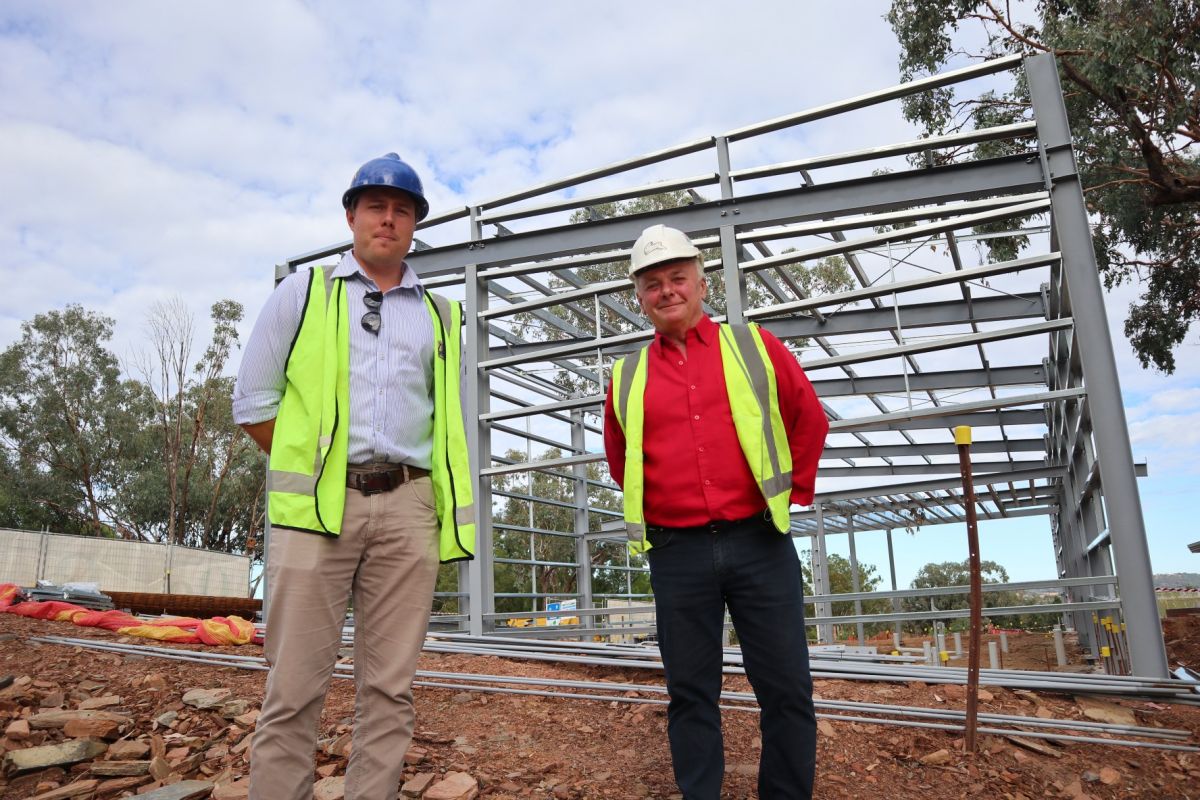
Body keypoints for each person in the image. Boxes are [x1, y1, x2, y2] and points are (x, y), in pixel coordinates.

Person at [233, 153, 475, 800]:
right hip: (318, 510)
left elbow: (445, 419)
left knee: (390, 689)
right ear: (351, 216)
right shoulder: (303, 294)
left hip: (408, 509)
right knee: (293, 688)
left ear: (415, 225)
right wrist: (313, 473)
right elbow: (253, 405)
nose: (388, 219)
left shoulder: (441, 317)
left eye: (403, 210)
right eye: (376, 206)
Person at [603, 224, 828, 800]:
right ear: (639, 298)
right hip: (677, 553)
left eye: (678, 278)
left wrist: (791, 490)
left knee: (786, 688)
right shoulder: (628, 376)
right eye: (653, 284)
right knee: (690, 691)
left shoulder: (753, 347)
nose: (667, 291)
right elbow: (619, 455)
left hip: (759, 542)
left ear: (702, 283)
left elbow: (809, 417)